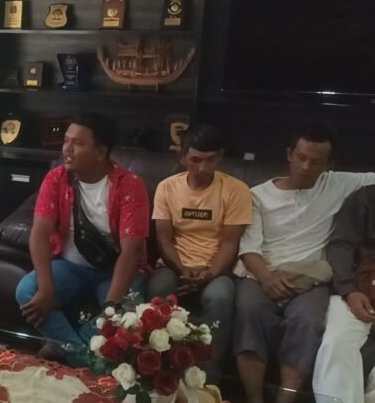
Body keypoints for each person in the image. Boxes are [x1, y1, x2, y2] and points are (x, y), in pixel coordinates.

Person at [233, 125, 375, 403]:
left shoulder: (338, 184)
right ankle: (254, 399)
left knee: (308, 321)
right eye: (301, 157)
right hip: (262, 273)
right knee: (249, 311)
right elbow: (248, 248)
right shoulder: (257, 195)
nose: (306, 166)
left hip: (312, 278)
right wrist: (267, 278)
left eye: (316, 161)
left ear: (329, 164)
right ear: (290, 154)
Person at [15, 113, 150, 365]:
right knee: (26, 290)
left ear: (100, 152)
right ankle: (87, 361)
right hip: (69, 267)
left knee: (124, 318)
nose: (66, 149)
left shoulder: (130, 185)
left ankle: (64, 350)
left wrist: (111, 308)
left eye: (77, 143)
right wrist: (46, 289)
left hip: (114, 271)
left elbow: (132, 251)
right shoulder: (56, 179)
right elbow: (39, 234)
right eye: (66, 140)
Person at [147, 124, 252, 384]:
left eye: (210, 160)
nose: (203, 168)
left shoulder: (236, 189)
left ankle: (206, 381)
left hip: (216, 268)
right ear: (182, 157)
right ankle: (157, 375)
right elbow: (163, 237)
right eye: (195, 160)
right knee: (159, 288)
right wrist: (182, 269)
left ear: (221, 157)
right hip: (174, 265)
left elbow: (230, 242)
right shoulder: (167, 187)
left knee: (221, 296)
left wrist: (208, 274)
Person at [313, 185, 375, 403]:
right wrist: (349, 290)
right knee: (336, 342)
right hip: (358, 289)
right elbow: (341, 245)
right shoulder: (366, 197)